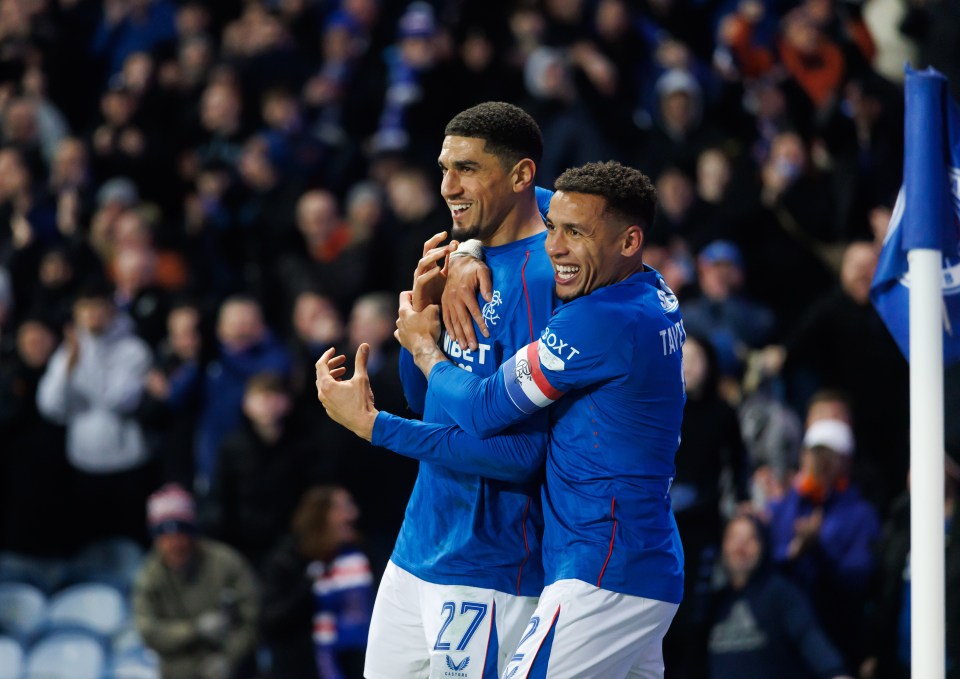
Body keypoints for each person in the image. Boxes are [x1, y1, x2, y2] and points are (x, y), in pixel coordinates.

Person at [318, 160, 685, 677]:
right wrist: (470, 247)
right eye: (553, 228)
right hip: (628, 560)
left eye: (573, 233)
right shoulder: (648, 289)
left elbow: (487, 410)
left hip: (603, 567)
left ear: (628, 241)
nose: (554, 246)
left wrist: (414, 365)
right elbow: (525, 198)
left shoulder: (596, 321)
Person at [333, 101, 556, 679]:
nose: (447, 187)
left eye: (466, 169)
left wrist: (376, 427)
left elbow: (523, 456)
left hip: (492, 563)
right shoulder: (462, 249)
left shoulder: (551, 273)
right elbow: (424, 401)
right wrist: (422, 325)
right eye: (442, 169)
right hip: (415, 550)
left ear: (521, 175)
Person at [36, 282, 154, 544]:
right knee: (92, 540)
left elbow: (118, 400)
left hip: (128, 464)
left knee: (130, 539)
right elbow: (50, 406)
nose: (93, 316)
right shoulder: (68, 353)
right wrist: (68, 368)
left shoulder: (134, 350)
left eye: (99, 308)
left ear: (112, 311)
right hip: (84, 463)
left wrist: (91, 357)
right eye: (86, 309)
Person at [767, 418, 881, 671]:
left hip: (837, 636)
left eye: (829, 456)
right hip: (786, 643)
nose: (819, 464)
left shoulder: (860, 514)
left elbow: (858, 577)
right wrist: (793, 552)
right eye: (813, 454)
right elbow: (767, 560)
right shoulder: (785, 506)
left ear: (845, 462)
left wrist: (817, 550)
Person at [133, 483, 259, 679]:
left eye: (181, 532)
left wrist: (229, 659)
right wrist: (195, 630)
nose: (174, 544)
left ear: (193, 531)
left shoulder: (226, 563)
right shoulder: (149, 577)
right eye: (164, 534)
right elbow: (148, 632)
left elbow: (253, 619)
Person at [706, 515, 852, 679]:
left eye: (750, 538)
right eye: (734, 537)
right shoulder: (713, 602)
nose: (741, 545)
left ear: (763, 546)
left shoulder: (780, 592)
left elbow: (810, 638)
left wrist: (836, 673)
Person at [260, 485, 374, 679]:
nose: (353, 514)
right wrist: (311, 584)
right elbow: (270, 622)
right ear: (320, 517)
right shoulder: (287, 561)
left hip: (357, 666)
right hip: (301, 668)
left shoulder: (362, 557)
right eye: (343, 508)